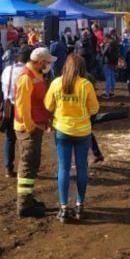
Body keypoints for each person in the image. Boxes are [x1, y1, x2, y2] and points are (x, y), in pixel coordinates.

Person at [45, 54, 100, 223]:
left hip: (62, 130)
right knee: (82, 168)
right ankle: (79, 205)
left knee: (63, 168)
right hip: (83, 131)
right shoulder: (86, 85)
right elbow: (94, 109)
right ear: (81, 68)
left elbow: (48, 105)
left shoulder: (56, 83)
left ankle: (63, 208)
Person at [14, 47, 55, 218]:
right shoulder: (26, 77)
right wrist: (30, 126)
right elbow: (22, 106)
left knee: (31, 164)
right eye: (46, 62)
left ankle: (28, 199)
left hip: (35, 126)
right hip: (29, 128)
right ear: (40, 61)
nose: (48, 65)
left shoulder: (35, 75)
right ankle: (24, 205)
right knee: (28, 165)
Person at [1, 46, 32, 177]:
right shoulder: (27, 73)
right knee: (24, 139)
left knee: (9, 138)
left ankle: (8, 167)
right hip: (22, 107)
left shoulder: (8, 69)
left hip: (8, 106)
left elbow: (2, 85)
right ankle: (23, 167)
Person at [101, 34, 121, 98]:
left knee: (108, 78)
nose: (104, 40)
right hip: (113, 62)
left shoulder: (108, 44)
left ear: (107, 38)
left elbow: (103, 53)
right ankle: (112, 92)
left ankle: (107, 93)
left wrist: (101, 46)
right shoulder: (115, 44)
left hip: (107, 62)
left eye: (105, 39)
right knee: (112, 77)